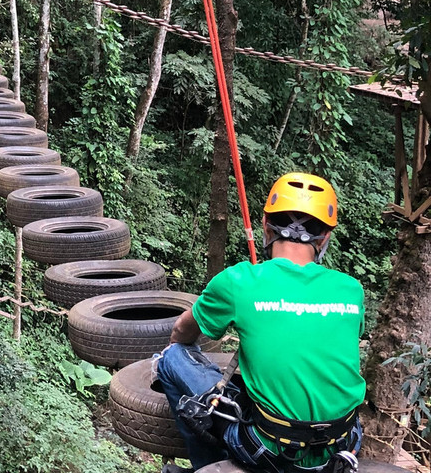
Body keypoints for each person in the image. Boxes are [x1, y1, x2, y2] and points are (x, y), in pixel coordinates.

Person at [154, 173, 365, 473]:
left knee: (171, 358)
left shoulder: (239, 281)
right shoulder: (351, 289)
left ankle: (207, 466)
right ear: (326, 237)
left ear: (265, 227)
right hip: (343, 447)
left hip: (268, 451)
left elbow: (181, 332)